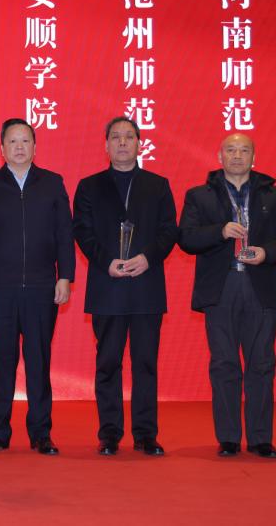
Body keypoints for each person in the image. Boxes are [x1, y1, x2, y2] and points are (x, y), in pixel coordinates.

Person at [178, 133, 276, 459]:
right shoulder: (199, 196)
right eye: (230, 150)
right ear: (219, 156)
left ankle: (260, 439)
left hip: (261, 285)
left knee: (261, 363)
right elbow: (186, 238)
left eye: (244, 150)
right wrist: (220, 231)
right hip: (222, 286)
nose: (237, 155)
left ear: (253, 158)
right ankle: (229, 438)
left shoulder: (274, 195)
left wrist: (266, 252)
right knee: (224, 363)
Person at [72, 117, 178, 457]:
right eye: (115, 137)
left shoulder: (157, 185)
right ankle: (110, 434)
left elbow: (169, 231)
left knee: (145, 363)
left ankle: (146, 434)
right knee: (108, 362)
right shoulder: (89, 186)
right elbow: (83, 231)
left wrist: (148, 258)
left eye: (129, 137)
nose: (122, 142)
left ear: (139, 143)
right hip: (108, 285)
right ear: (106, 145)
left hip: (146, 285)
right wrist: (107, 262)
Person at [0, 118, 75, 455]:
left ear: (34, 146)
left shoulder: (52, 183)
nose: (19, 147)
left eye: (25, 141)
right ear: (2, 148)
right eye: (12, 141)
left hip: (43, 286)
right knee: (2, 361)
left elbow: (65, 233)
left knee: (38, 361)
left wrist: (65, 276)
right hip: (0, 286)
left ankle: (41, 433)